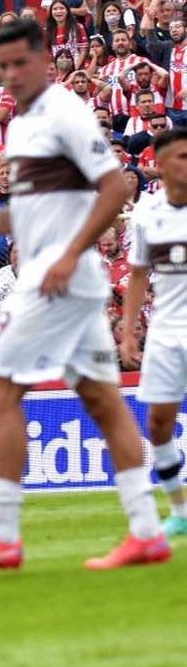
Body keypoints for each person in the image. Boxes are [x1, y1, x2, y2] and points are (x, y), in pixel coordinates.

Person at [0, 18, 170, 571]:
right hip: (63, 275)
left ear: (44, 59)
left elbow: (113, 187)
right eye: (2, 67)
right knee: (105, 405)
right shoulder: (21, 125)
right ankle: (148, 532)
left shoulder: (64, 111)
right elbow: (24, 216)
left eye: (19, 64)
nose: (10, 76)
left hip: (57, 277)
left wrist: (68, 251)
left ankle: (3, 534)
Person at [118, 127, 187, 537]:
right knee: (158, 423)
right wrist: (128, 332)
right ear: (160, 165)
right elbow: (139, 273)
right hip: (165, 329)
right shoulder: (147, 213)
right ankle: (179, 506)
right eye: (179, 156)